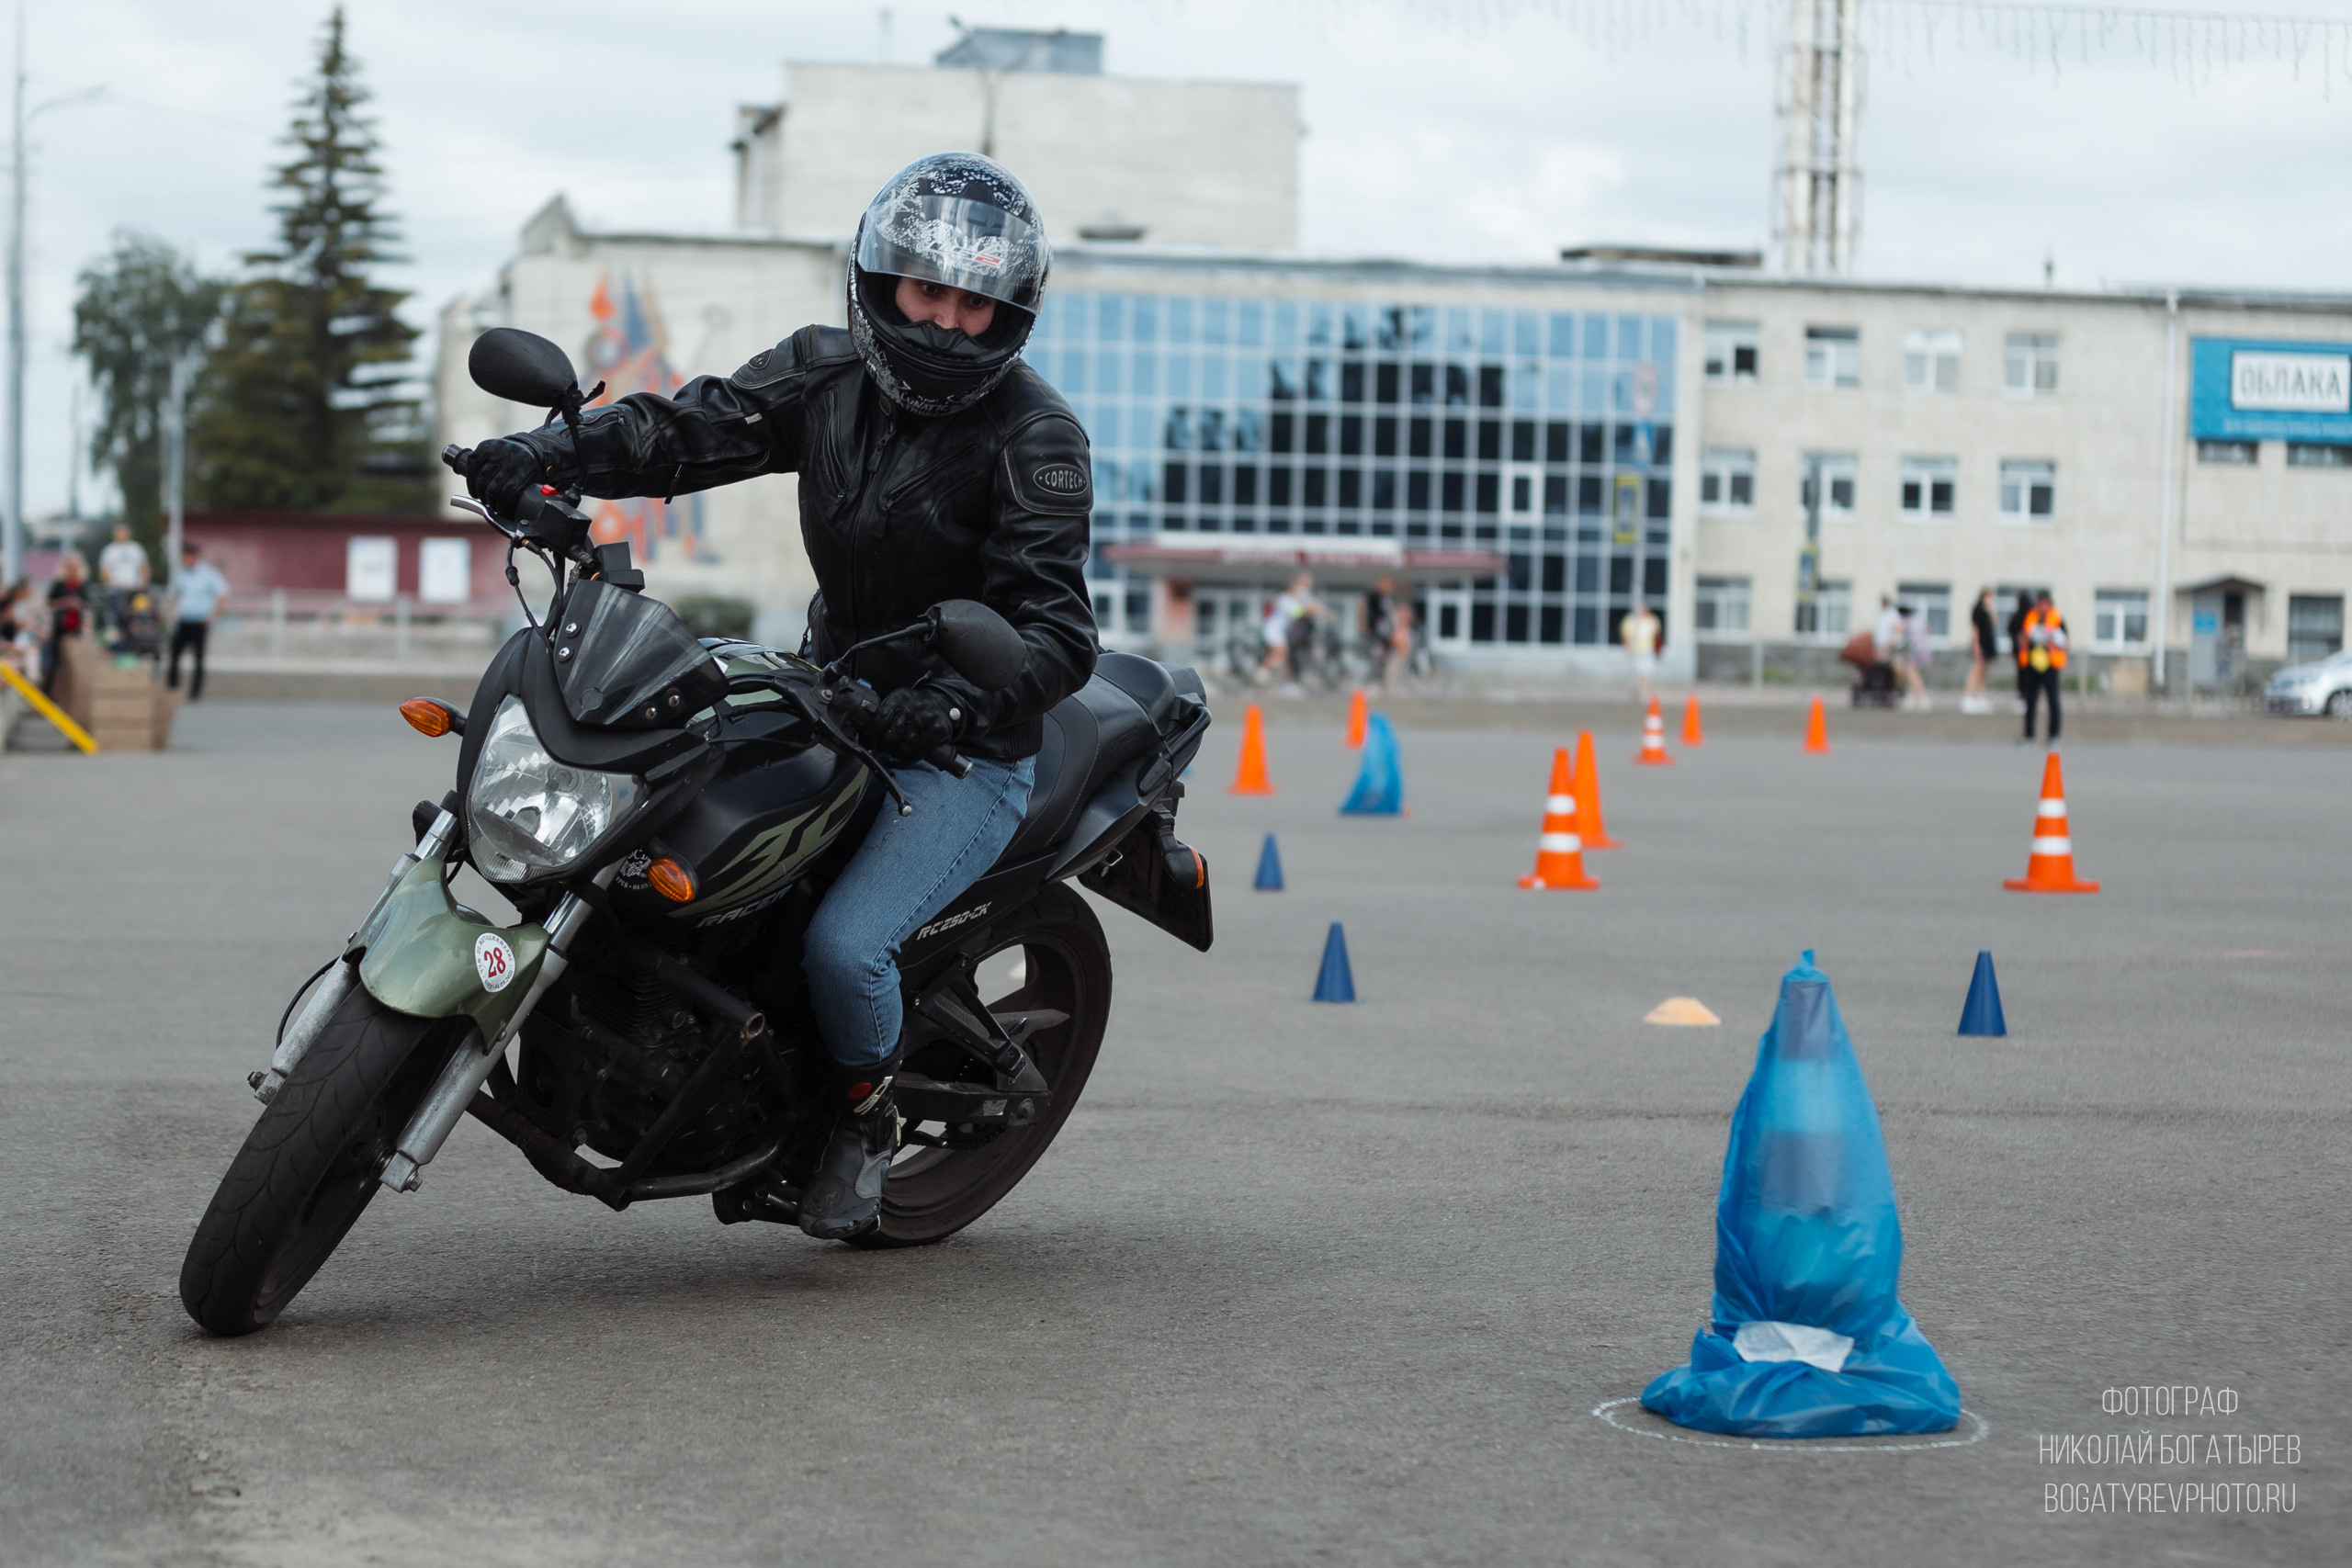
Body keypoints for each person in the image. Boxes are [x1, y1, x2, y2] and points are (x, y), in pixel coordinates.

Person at [460, 152, 1093, 1243]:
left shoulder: (1037, 437)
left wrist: (950, 708)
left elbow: (1056, 630)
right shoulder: (823, 374)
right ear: (878, 282)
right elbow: (683, 430)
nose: (944, 325)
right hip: (829, 686)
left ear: (1009, 315)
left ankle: (862, 1124)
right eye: (925, 294)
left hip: (965, 746)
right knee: (651, 806)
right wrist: (545, 452)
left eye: (973, 305)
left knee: (845, 949)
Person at [167, 541, 230, 701]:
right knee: (174, 655)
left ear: (194, 557)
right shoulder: (181, 574)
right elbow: (175, 593)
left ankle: (195, 692)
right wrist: (173, 611)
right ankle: (172, 688)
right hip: (184, 620)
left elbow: (222, 594)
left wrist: (213, 615)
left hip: (200, 621)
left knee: (198, 659)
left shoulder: (208, 573)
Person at [2017, 590, 2069, 744]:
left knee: (2053, 700)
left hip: (2050, 665)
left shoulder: (2056, 618)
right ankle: (2029, 734)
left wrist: (2052, 636)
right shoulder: (2031, 617)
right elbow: (2023, 636)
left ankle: (2054, 734)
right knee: (2030, 700)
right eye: (2040, 603)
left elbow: (2065, 640)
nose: (2042, 606)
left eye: (2045, 603)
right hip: (2032, 665)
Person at [1258, 572, 1320, 690]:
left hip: (1279, 631)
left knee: (1284, 656)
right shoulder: (1285, 599)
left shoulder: (1290, 599)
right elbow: (1298, 613)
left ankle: (1283, 679)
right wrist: (1310, 609)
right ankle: (1262, 673)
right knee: (1279, 652)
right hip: (1273, 630)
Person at [42, 552, 89, 694]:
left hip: (75, 627)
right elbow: (49, 603)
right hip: (60, 627)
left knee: (73, 663)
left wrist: (78, 605)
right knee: (56, 662)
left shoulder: (82, 585)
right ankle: (50, 694)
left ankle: (71, 694)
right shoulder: (59, 584)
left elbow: (87, 605)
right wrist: (64, 603)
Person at [96, 523, 150, 637]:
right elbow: (104, 573)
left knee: (137, 619)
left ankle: (136, 641)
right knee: (117, 621)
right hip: (115, 591)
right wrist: (117, 584)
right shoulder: (109, 550)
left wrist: (142, 584)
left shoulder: (136, 548)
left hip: (134, 591)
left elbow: (144, 568)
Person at [1963, 590, 1998, 714]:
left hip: (1988, 644)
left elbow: (1994, 623)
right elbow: (1975, 629)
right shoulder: (1977, 610)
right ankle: (1968, 696)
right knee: (1976, 670)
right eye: (1988, 597)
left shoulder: (1987, 610)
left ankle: (1979, 695)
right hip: (1981, 644)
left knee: (1983, 672)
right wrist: (1976, 645)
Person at [1621, 601, 1661, 700]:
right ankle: (1637, 690)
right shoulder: (1631, 621)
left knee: (1644, 672)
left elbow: (1656, 636)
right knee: (1636, 672)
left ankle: (1642, 691)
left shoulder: (1651, 621)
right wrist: (1628, 648)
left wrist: (1657, 649)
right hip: (1636, 651)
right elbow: (1627, 636)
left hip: (1647, 650)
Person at [1363, 575, 1397, 688]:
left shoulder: (1388, 598)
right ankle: (1375, 679)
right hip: (1376, 630)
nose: (1389, 587)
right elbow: (1362, 606)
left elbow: (1390, 614)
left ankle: (1382, 675)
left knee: (1388, 650)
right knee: (1378, 654)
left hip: (1386, 630)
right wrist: (1362, 621)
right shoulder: (1374, 595)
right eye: (1387, 584)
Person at [1896, 604, 1932, 711]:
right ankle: (1910, 700)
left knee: (1911, 673)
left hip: (1916, 650)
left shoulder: (1906, 620)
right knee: (1914, 675)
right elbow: (1928, 629)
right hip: (1925, 650)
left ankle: (1923, 697)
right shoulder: (1918, 619)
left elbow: (1897, 630)